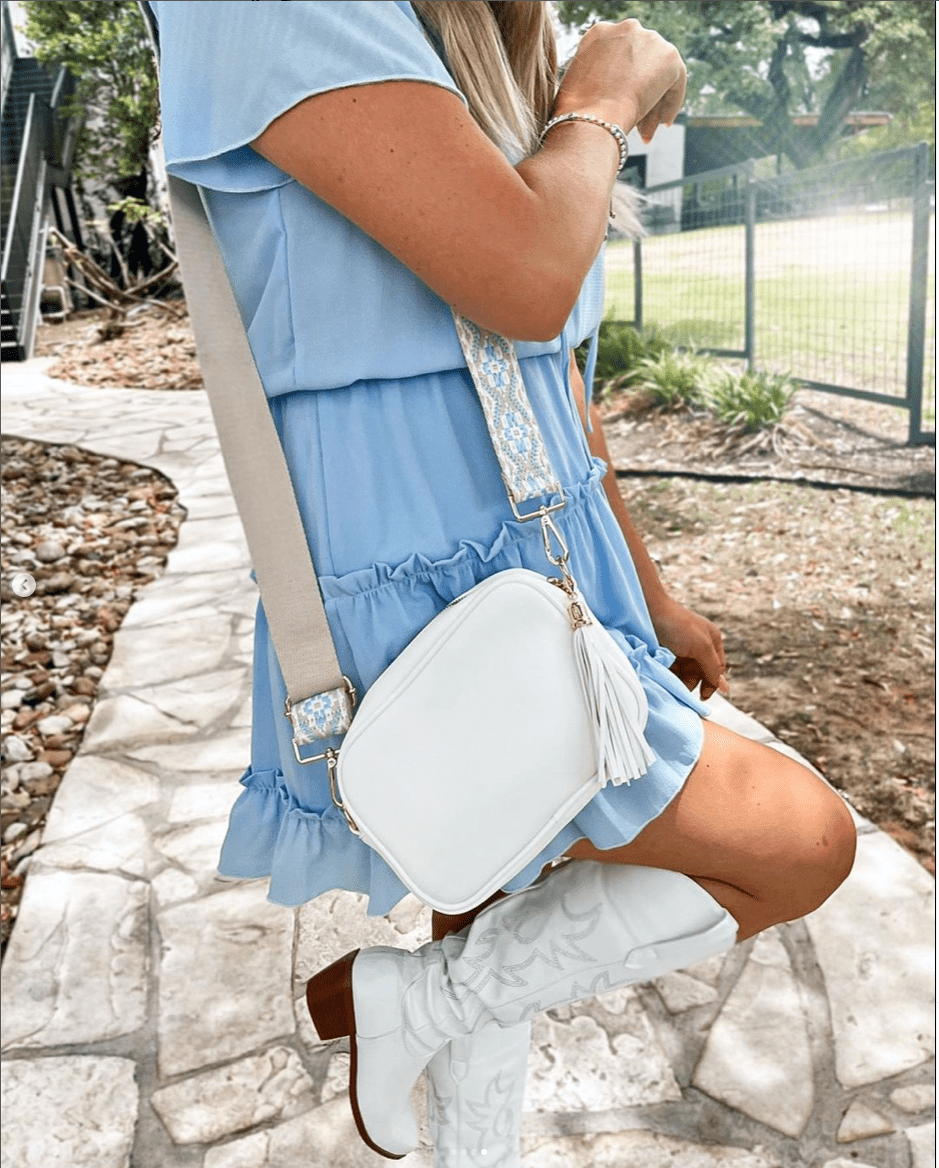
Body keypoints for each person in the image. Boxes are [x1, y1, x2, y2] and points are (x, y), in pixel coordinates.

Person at [148, 2, 856, 1162]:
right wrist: (606, 97)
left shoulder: (467, 41)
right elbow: (526, 278)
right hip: (422, 560)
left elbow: (554, 379)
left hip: (542, 556)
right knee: (801, 843)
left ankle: (456, 1102)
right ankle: (409, 1003)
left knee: (491, 889)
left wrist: (649, 590)